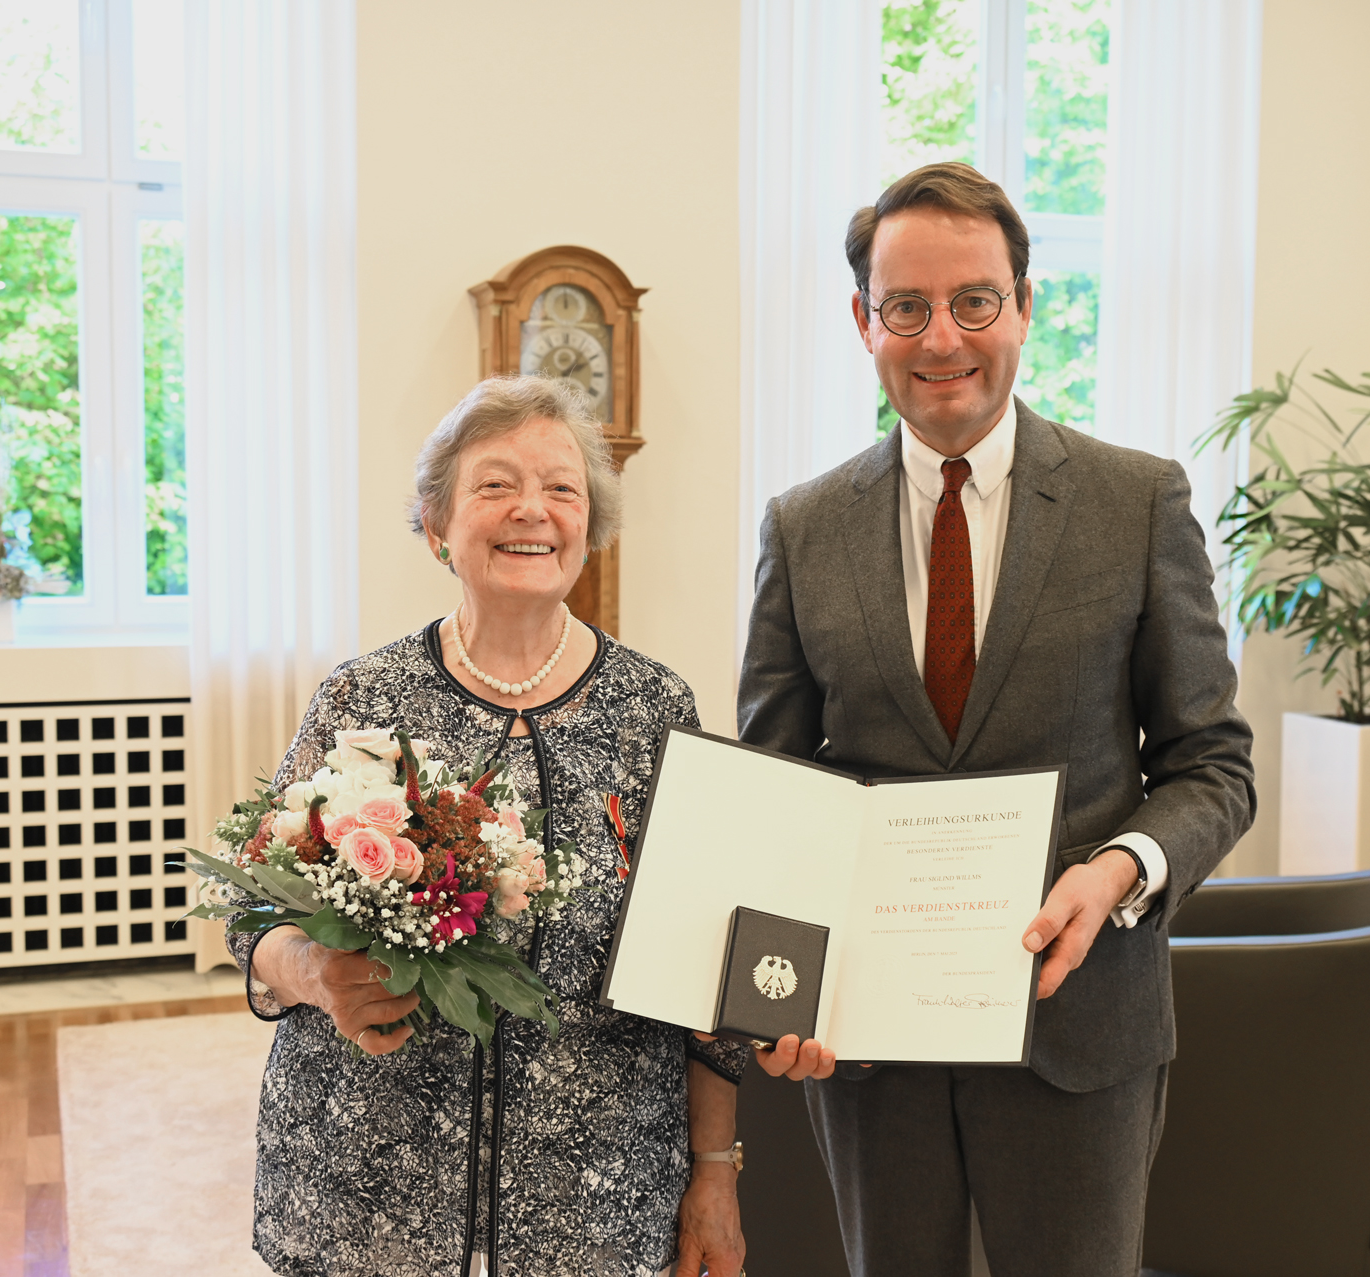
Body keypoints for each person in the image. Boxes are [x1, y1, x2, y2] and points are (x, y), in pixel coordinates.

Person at [736, 162, 1256, 1276]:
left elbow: (1213, 765)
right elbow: (778, 786)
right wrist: (772, 988)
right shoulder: (805, 524)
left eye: (974, 300)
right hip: (872, 1041)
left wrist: (1119, 868)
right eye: (907, 306)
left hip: (1081, 1020)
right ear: (863, 320)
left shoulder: (1139, 500)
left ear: (1024, 305)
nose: (942, 339)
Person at [236, 375, 749, 1277]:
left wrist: (715, 1173)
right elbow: (254, 915)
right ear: (436, 525)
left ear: (591, 528)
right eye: (495, 484)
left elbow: (703, 975)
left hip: (595, 1198)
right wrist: (315, 972)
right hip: (368, 1192)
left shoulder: (655, 709)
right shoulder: (364, 698)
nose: (532, 510)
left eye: (562, 487)